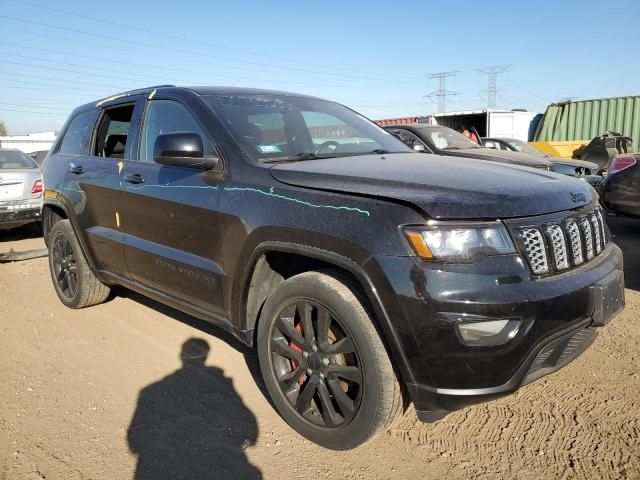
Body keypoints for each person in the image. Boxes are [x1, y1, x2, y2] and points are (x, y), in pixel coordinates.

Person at [127, 338, 261, 480]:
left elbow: (134, 442)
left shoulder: (150, 391)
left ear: (182, 356)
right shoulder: (223, 383)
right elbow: (251, 430)